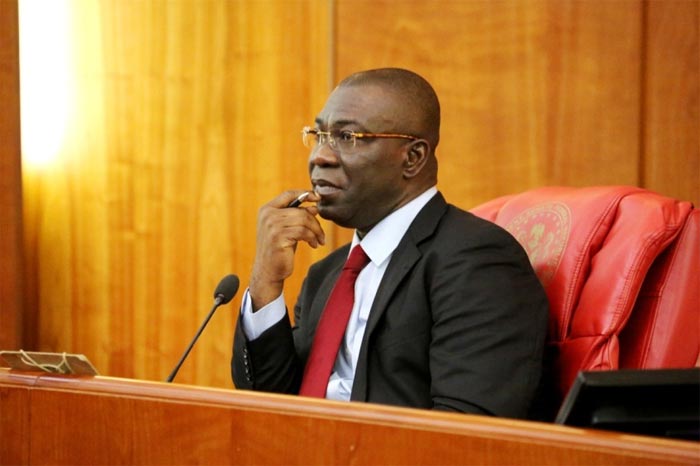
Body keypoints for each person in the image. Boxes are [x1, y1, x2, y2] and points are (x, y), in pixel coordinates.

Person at [231, 68, 550, 419]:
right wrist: (266, 282)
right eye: (318, 135)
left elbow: (467, 430)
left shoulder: (476, 262)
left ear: (413, 158)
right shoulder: (326, 276)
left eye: (347, 137)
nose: (320, 156)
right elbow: (270, 410)